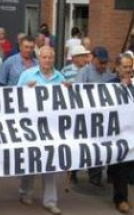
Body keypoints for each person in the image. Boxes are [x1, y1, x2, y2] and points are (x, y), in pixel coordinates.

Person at [17, 46, 65, 215]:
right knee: (31, 160)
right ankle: (25, 192)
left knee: (50, 162)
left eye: (50, 58)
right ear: (39, 58)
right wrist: (25, 90)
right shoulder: (27, 75)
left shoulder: (60, 77)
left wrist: (69, 91)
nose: (47, 61)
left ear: (53, 59)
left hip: (52, 128)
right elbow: (13, 99)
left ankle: (50, 201)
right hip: (31, 126)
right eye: (44, 57)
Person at [74, 46, 115, 186]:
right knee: (82, 147)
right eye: (100, 62)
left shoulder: (109, 74)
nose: (103, 65)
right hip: (86, 117)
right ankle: (73, 171)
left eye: (105, 63)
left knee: (99, 147)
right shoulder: (84, 72)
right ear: (93, 59)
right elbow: (77, 93)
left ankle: (95, 176)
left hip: (103, 118)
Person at [107, 53, 134, 213]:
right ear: (117, 68)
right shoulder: (109, 85)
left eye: (130, 66)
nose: (129, 69)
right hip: (119, 134)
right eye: (125, 66)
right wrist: (120, 89)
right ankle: (121, 199)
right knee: (121, 166)